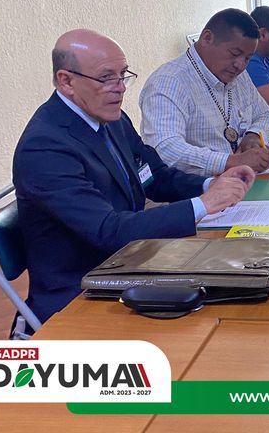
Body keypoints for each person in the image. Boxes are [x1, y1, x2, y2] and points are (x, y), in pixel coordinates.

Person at [13, 29, 254, 328]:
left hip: (129, 260)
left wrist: (210, 184)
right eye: (106, 78)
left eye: (123, 75)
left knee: (242, 282)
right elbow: (107, 230)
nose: (120, 88)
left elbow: (154, 177)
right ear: (66, 81)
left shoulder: (110, 117)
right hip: (81, 290)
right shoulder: (45, 146)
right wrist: (203, 204)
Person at [140, 9, 269, 177]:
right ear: (207, 38)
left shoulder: (238, 75)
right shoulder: (168, 82)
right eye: (234, 54)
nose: (240, 65)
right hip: (200, 188)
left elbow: (265, 114)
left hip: (244, 180)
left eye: (247, 58)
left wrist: (253, 135)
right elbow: (165, 149)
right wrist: (230, 162)